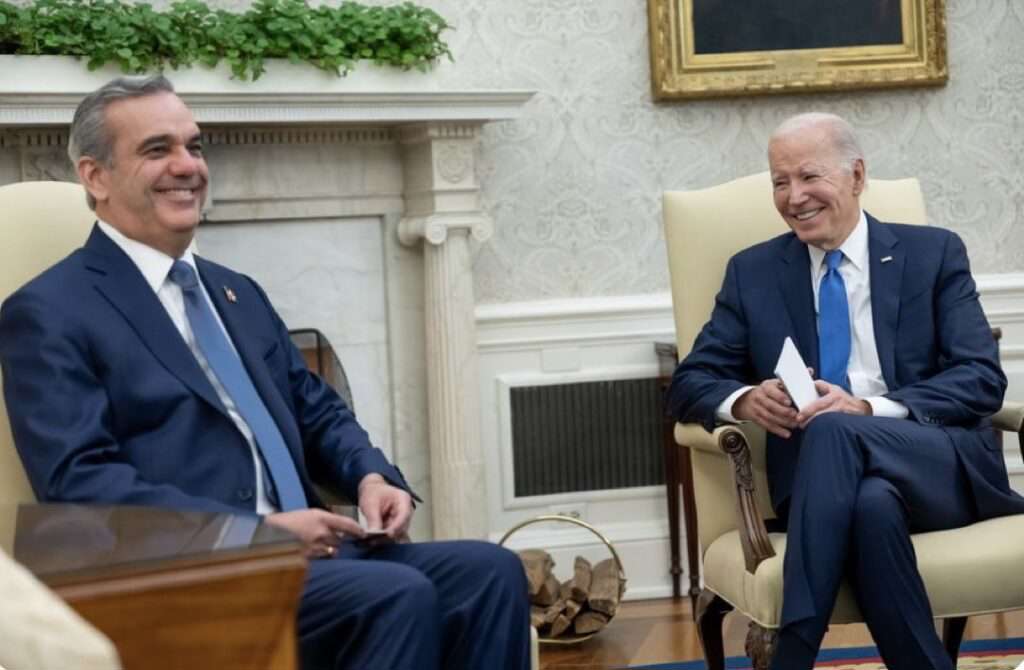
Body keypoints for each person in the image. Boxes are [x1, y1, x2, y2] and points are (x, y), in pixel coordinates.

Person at [0, 75, 529, 670]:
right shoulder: (48, 311)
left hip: (311, 560)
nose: (188, 166)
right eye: (157, 149)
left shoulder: (236, 292)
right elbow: (80, 484)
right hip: (185, 574)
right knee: (395, 594)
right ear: (95, 177)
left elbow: (317, 412)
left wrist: (371, 477)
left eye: (194, 146)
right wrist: (259, 532)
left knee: (491, 573)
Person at [667, 112, 1024, 670]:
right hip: (827, 488)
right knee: (870, 504)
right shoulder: (754, 273)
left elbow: (981, 377)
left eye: (809, 176)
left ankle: (794, 652)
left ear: (856, 176)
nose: (794, 197)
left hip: (937, 467)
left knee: (836, 425)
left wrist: (867, 408)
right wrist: (744, 399)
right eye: (780, 182)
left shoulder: (933, 254)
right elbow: (690, 382)